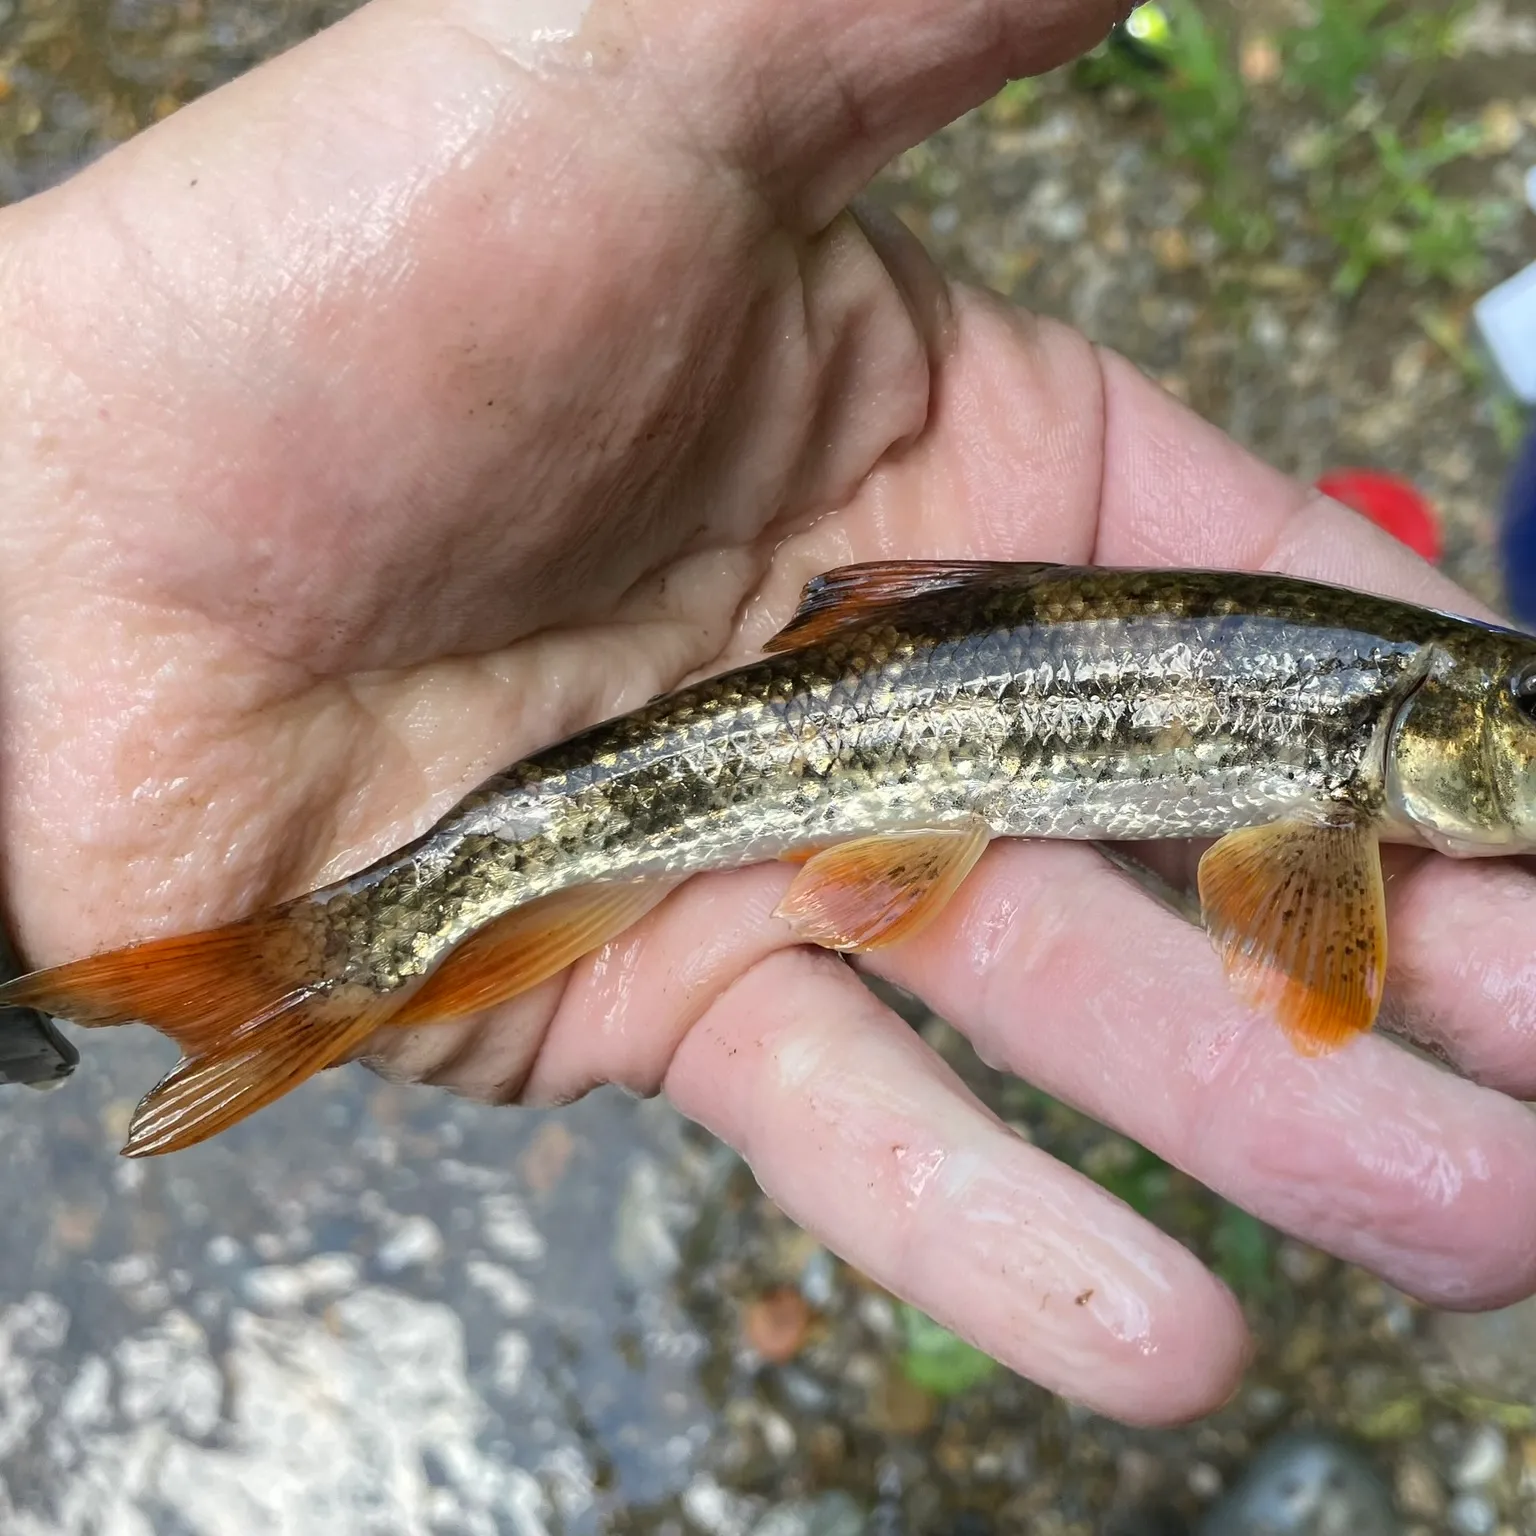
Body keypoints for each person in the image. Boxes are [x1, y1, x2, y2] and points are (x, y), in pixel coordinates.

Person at [0, 0, 1532, 1430]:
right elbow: (1307, 960)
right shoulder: (1367, 718)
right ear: (1449, 724)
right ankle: (334, 954)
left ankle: (294, 966)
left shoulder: (1372, 715)